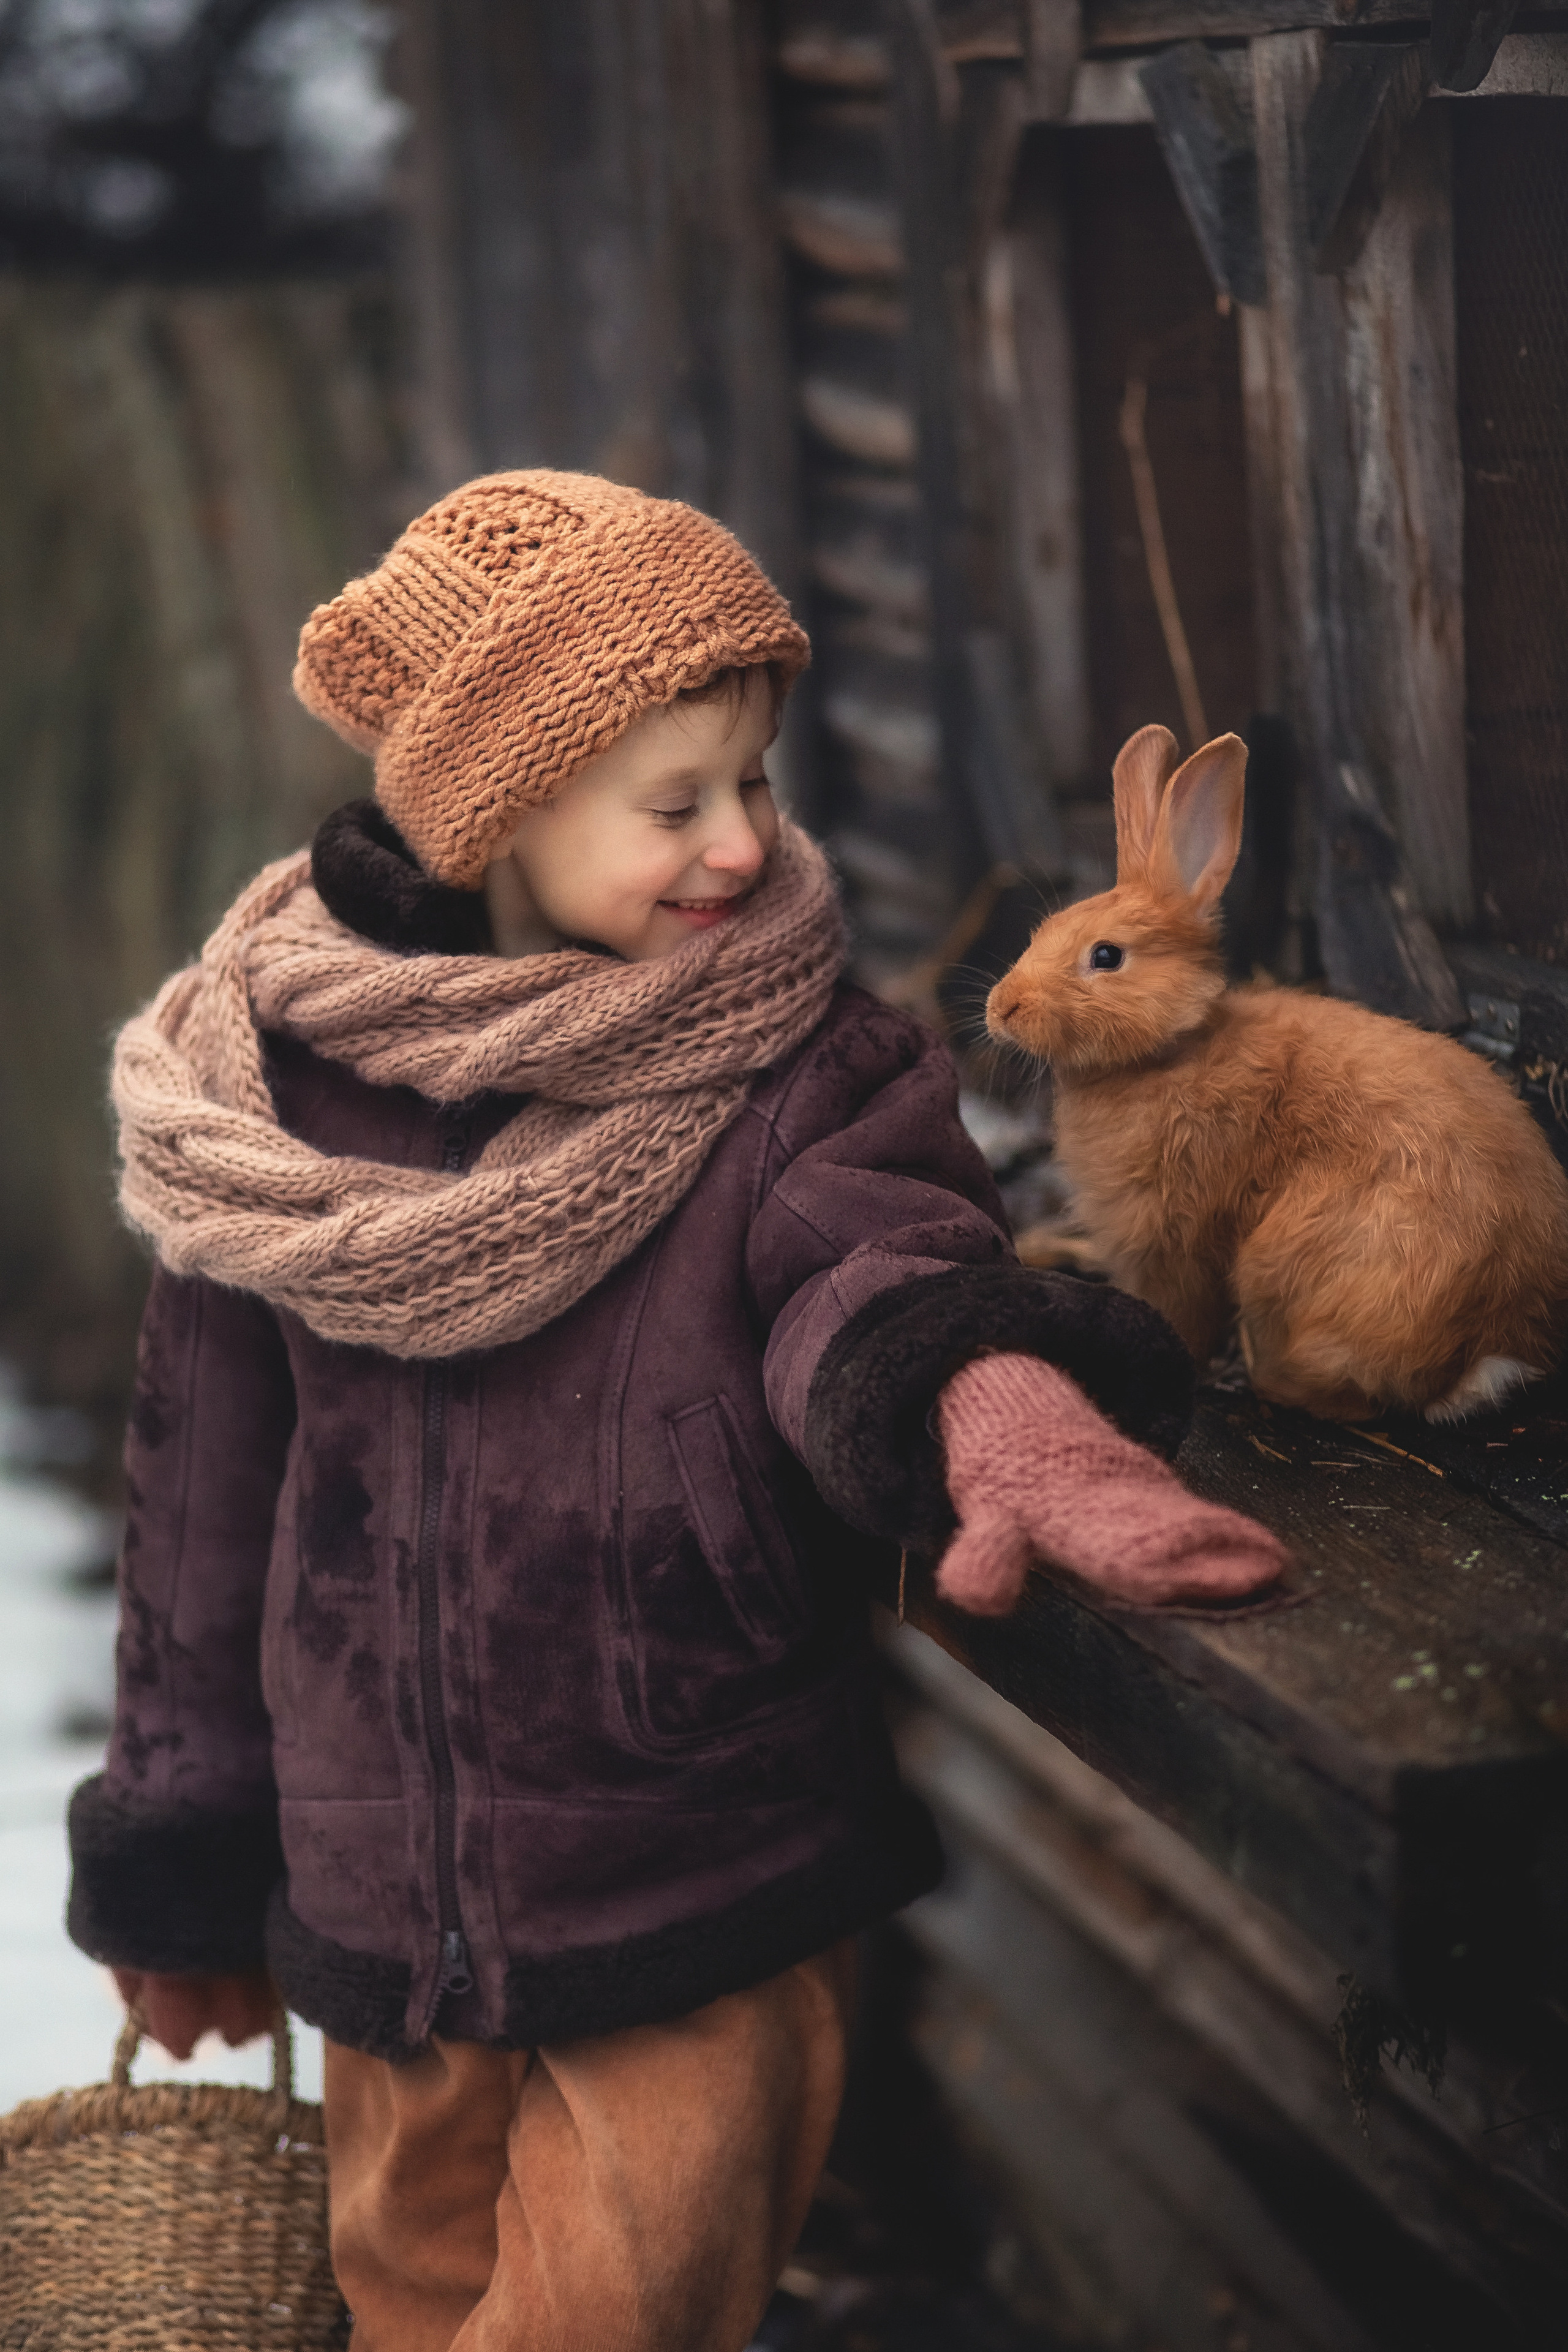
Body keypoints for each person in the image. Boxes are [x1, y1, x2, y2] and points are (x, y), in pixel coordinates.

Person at [67, 470, 1283, 2351]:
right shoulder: (268, 1101)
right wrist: (179, 1852)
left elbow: (875, 1273)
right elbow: (204, 1502)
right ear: (496, 818)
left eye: (757, 783)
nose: (740, 846)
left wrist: (1005, 1410)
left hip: (690, 1870)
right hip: (375, 1903)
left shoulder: (793, 1069)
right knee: (407, 2311)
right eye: (674, 802)